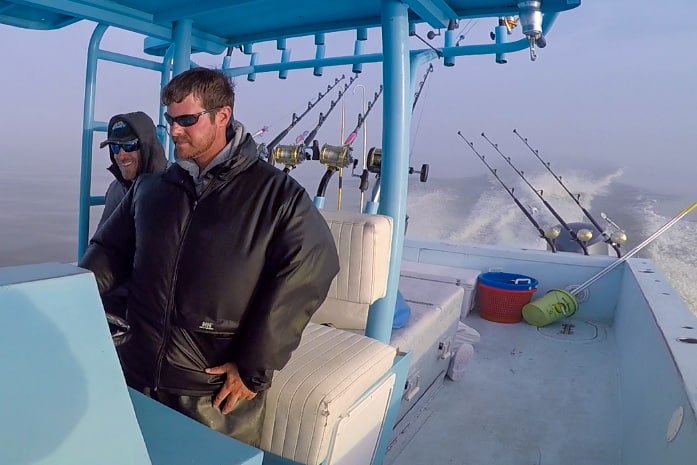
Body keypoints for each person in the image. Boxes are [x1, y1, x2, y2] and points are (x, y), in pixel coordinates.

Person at [79, 67, 340, 446]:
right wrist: (73, 298)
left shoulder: (278, 196)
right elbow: (108, 253)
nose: (174, 131)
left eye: (186, 120)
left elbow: (312, 268)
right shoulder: (150, 190)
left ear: (223, 116)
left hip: (211, 394)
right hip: (135, 371)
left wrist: (253, 368)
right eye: (170, 120)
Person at [96, 112, 168, 317]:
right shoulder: (115, 189)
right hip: (114, 298)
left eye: (129, 146)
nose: (121, 155)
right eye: (115, 147)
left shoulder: (175, 190)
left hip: (155, 308)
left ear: (147, 147)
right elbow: (103, 246)